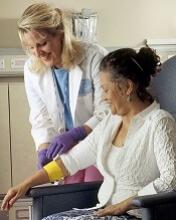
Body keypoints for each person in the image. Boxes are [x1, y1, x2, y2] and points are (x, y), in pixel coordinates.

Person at [2, 47, 176, 220]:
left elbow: (171, 179)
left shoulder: (159, 122)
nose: (104, 98)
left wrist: (128, 203)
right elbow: (71, 161)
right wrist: (25, 184)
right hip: (105, 211)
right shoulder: (111, 122)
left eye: (106, 90)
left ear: (127, 87)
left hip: (137, 214)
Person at [17, 3, 109, 183]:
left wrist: (76, 134)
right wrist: (43, 148)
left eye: (42, 44)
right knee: (69, 197)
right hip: (67, 151)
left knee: (94, 193)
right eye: (31, 48)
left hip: (99, 142)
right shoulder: (31, 68)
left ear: (60, 33)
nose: (37, 53)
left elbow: (108, 110)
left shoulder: (94, 57)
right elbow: (40, 116)